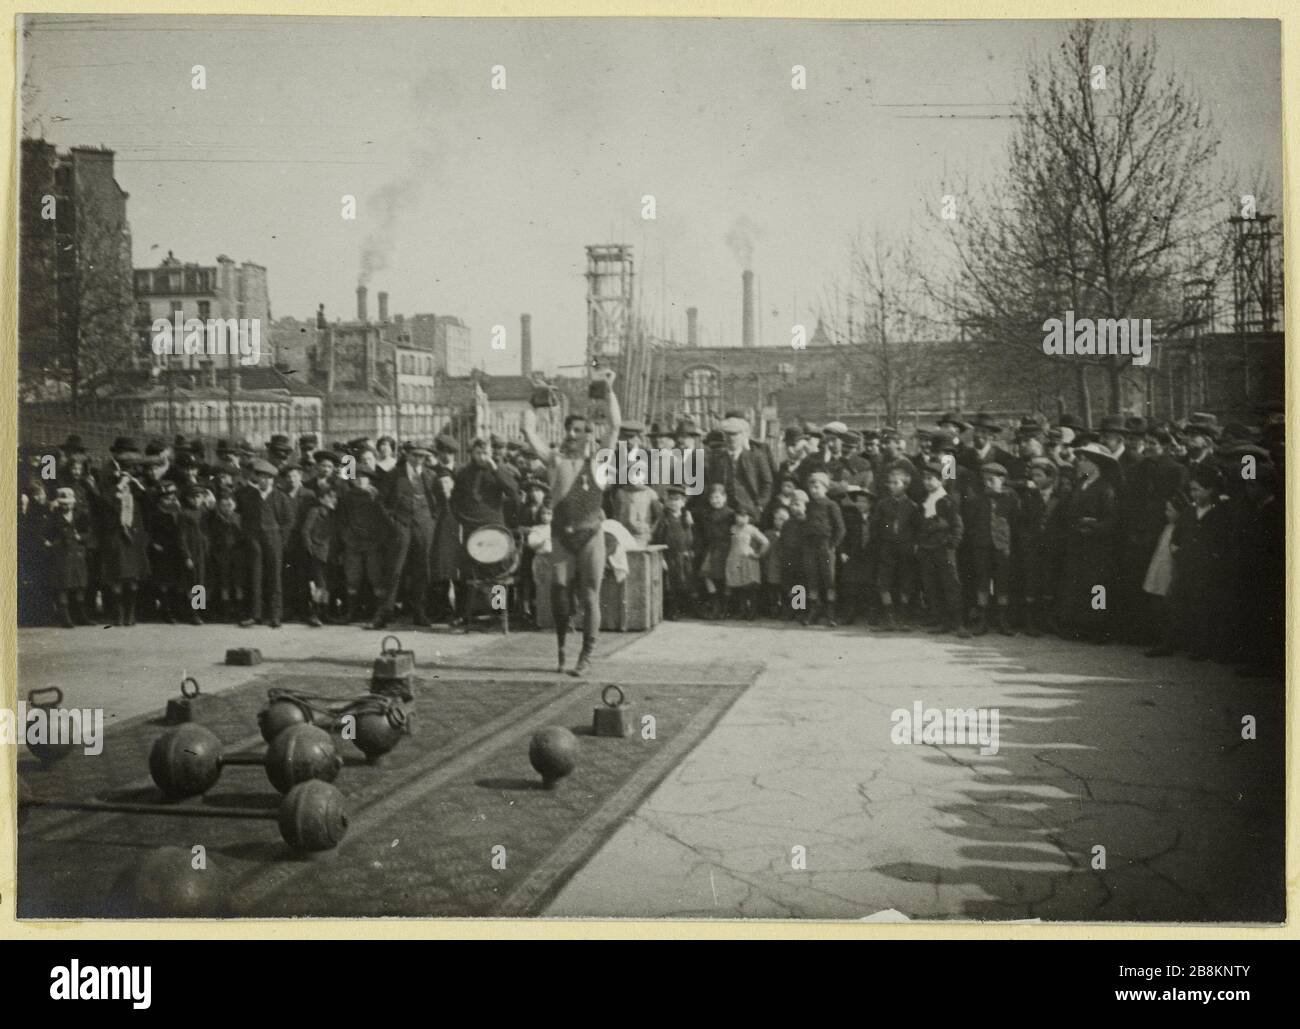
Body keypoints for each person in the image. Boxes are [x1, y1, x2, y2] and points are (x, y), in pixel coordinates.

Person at [520, 369, 622, 677]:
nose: (573, 435)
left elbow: (615, 424)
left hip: (591, 535)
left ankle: (586, 655)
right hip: (562, 536)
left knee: (590, 596)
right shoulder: (554, 461)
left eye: (580, 431)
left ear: (589, 434)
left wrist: (608, 390)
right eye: (570, 430)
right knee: (560, 595)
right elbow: (528, 432)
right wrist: (536, 399)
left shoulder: (600, 462)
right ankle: (563, 648)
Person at [370, 443, 439, 629]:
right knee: (395, 570)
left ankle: (419, 611)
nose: (418, 460)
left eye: (422, 456)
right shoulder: (394, 475)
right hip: (401, 526)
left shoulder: (430, 476)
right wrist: (393, 523)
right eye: (415, 455)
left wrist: (431, 521)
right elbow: (380, 502)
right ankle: (384, 613)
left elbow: (438, 502)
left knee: (422, 569)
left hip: (423, 527)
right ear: (407, 455)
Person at [1057, 443, 1119, 644]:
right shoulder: (1080, 484)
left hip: (1098, 546)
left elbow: (1112, 519)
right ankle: (1080, 625)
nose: (1079, 463)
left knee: (1097, 587)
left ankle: (1099, 627)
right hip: (1078, 544)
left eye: (1084, 460)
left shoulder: (1105, 488)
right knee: (1079, 584)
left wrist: (1094, 526)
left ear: (1095, 465)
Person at [236, 458, 294, 629]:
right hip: (254, 541)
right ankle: (256, 615)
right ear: (256, 478)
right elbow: (242, 518)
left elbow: (289, 520)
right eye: (261, 477)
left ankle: (276, 616)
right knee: (255, 576)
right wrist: (249, 536)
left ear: (273, 480)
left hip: (274, 540)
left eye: (268, 478)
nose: (264, 481)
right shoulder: (249, 496)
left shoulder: (280, 497)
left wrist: (280, 538)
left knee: (275, 577)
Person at [965, 462, 1021, 636]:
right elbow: (971, 522)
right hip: (982, 546)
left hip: (1002, 547)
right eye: (985, 480)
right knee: (982, 581)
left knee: (1002, 582)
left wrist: (1008, 543)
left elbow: (1017, 522)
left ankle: (1002, 619)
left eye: (992, 480)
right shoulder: (978, 498)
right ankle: (982, 620)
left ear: (1002, 480)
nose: (988, 483)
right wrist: (977, 539)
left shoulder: (1011, 497)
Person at [915, 462, 968, 637]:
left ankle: (958, 623)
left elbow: (957, 524)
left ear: (941, 481)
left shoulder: (946, 500)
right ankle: (941, 621)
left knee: (951, 585)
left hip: (944, 549)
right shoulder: (925, 500)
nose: (927, 482)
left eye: (931, 479)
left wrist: (952, 542)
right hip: (927, 549)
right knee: (932, 586)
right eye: (925, 479)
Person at [874, 467, 919, 630]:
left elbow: (916, 528)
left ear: (905, 485)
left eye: (896, 483)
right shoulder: (883, 504)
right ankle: (889, 617)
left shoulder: (912, 506)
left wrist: (913, 545)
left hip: (905, 549)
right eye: (890, 483)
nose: (892, 486)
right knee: (884, 581)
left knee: (905, 581)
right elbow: (876, 525)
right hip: (887, 547)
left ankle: (904, 617)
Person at [801, 471, 845, 627]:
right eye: (811, 486)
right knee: (812, 577)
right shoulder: (808, 506)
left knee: (829, 579)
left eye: (817, 486)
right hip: (810, 546)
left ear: (825, 488)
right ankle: (814, 609)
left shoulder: (831, 505)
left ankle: (831, 611)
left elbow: (840, 528)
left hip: (825, 545)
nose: (814, 489)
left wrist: (832, 545)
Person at [45, 487, 93, 627]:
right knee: (63, 585)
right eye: (63, 503)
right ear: (59, 503)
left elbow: (89, 532)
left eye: (68, 503)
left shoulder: (80, 515)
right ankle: (65, 617)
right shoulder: (54, 517)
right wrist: (51, 544)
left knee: (80, 585)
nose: (66, 506)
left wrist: (81, 537)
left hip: (77, 553)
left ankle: (81, 615)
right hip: (61, 554)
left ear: (73, 503)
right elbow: (46, 534)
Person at [652, 484, 694, 620]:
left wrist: (689, 550)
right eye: (671, 500)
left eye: (677, 500)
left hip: (684, 555)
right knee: (670, 584)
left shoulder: (686, 518)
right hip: (669, 556)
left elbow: (690, 536)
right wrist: (662, 558)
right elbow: (658, 538)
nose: (674, 503)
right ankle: (672, 610)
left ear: (683, 502)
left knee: (684, 582)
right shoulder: (664, 519)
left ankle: (683, 609)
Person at [301, 483, 340, 627]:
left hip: (330, 554)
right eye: (330, 497)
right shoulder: (315, 511)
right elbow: (305, 531)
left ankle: (324, 613)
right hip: (318, 553)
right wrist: (311, 549)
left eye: (335, 497)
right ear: (322, 499)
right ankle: (314, 614)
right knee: (320, 585)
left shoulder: (333, 514)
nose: (334, 500)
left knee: (328, 585)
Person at [696, 482, 734, 619]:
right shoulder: (706, 513)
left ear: (724, 498)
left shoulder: (730, 514)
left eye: (718, 497)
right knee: (706, 574)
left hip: (726, 548)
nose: (715, 501)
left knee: (726, 577)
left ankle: (725, 606)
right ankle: (715, 602)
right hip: (711, 548)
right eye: (712, 498)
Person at [724, 506, 768, 620]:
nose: (740, 519)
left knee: (750, 586)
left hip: (748, 559)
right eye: (738, 516)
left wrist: (758, 555)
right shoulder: (732, 528)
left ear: (748, 517)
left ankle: (752, 612)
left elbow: (765, 542)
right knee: (738, 587)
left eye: (743, 516)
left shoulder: (751, 529)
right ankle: (742, 611)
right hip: (734, 558)